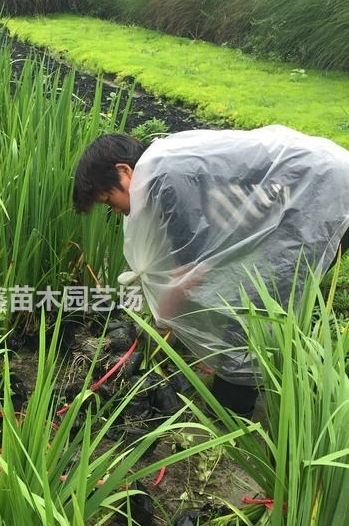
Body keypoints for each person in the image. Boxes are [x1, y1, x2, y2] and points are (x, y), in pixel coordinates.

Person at [73, 126, 349, 416]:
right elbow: (208, 246)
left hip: (327, 192)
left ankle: (231, 415)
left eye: (107, 199)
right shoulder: (165, 163)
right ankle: (254, 381)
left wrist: (161, 321)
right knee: (251, 292)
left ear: (124, 171)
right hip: (317, 181)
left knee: (255, 303)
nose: (113, 210)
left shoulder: (165, 178)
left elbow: (193, 272)